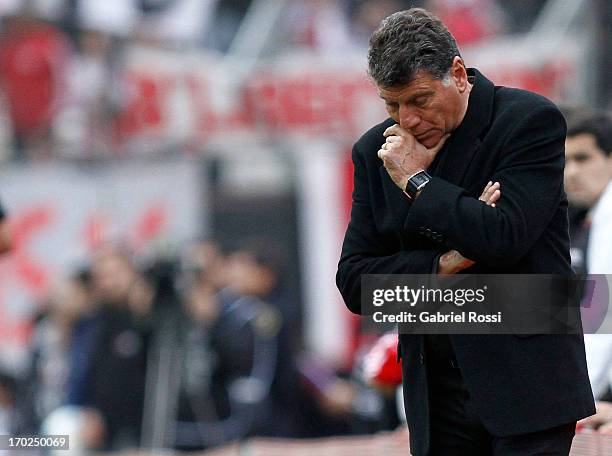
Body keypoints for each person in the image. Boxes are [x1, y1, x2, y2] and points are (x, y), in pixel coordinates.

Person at [336, 8, 594, 456]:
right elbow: (358, 287)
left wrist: (418, 183)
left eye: (419, 100)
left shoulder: (527, 121)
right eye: (392, 105)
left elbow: (503, 239)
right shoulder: (377, 152)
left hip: (527, 383)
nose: (407, 120)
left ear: (457, 74)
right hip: (434, 393)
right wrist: (441, 263)